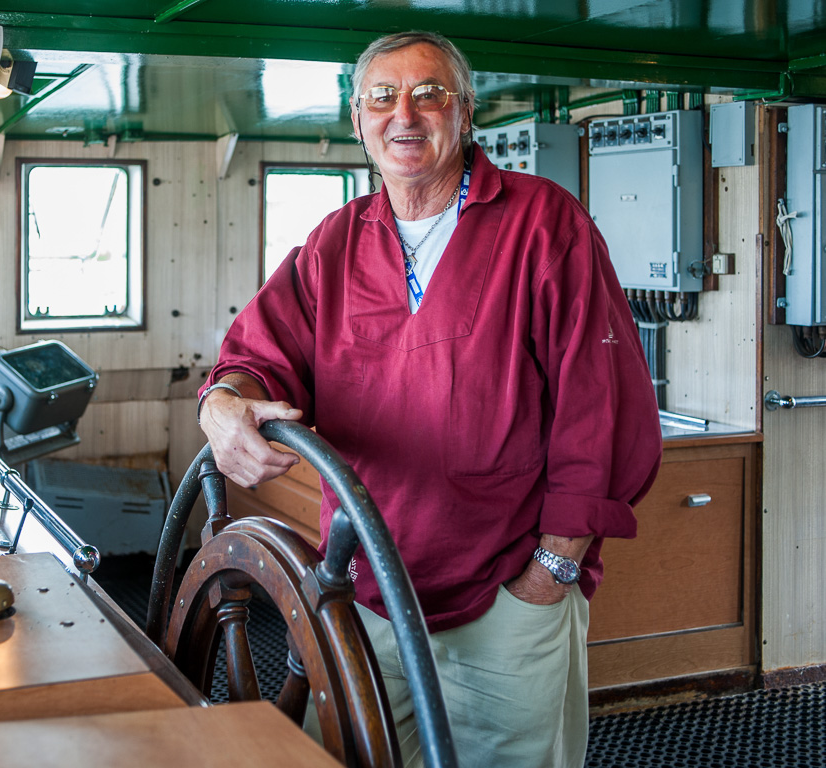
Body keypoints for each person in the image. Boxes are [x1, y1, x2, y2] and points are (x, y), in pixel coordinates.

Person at [197, 30, 662, 768]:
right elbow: (254, 358)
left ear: (465, 110)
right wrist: (221, 405)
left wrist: (553, 571)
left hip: (510, 595)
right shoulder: (335, 241)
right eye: (381, 96)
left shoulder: (545, 224)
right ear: (357, 120)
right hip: (366, 590)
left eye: (428, 93)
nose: (403, 114)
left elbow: (599, 412)